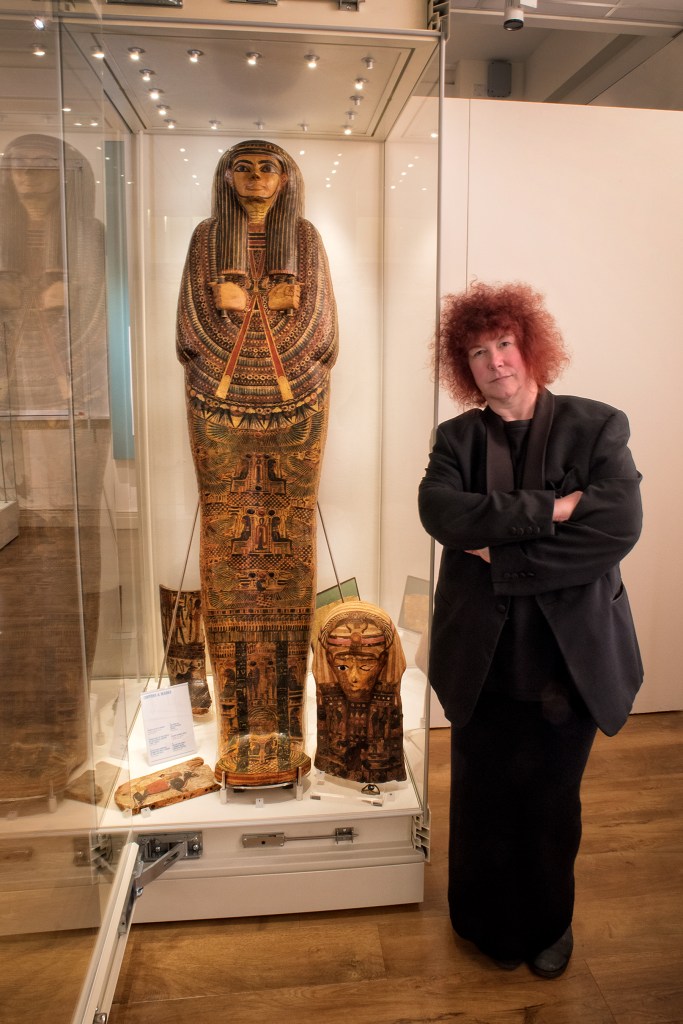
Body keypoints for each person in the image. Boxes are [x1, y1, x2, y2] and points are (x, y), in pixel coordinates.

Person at [418, 281, 643, 978]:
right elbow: (442, 517)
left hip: (566, 662)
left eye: (505, 344)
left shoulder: (597, 426)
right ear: (465, 367)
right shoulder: (454, 440)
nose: (495, 362)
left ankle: (548, 926)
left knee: (549, 802)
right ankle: (479, 920)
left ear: (530, 345)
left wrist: (501, 548)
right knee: (482, 798)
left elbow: (616, 528)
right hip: (482, 659)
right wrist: (553, 510)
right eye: (478, 352)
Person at [177, 140, 337, 786]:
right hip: (218, 406)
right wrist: (233, 323)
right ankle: (235, 728)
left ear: (285, 177)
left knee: (288, 537)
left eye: (266, 165)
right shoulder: (204, 238)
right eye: (242, 166)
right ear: (225, 177)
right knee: (226, 539)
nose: (254, 177)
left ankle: (284, 726)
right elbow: (188, 330)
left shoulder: (305, 238)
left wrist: (277, 331)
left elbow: (324, 331)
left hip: (292, 403)